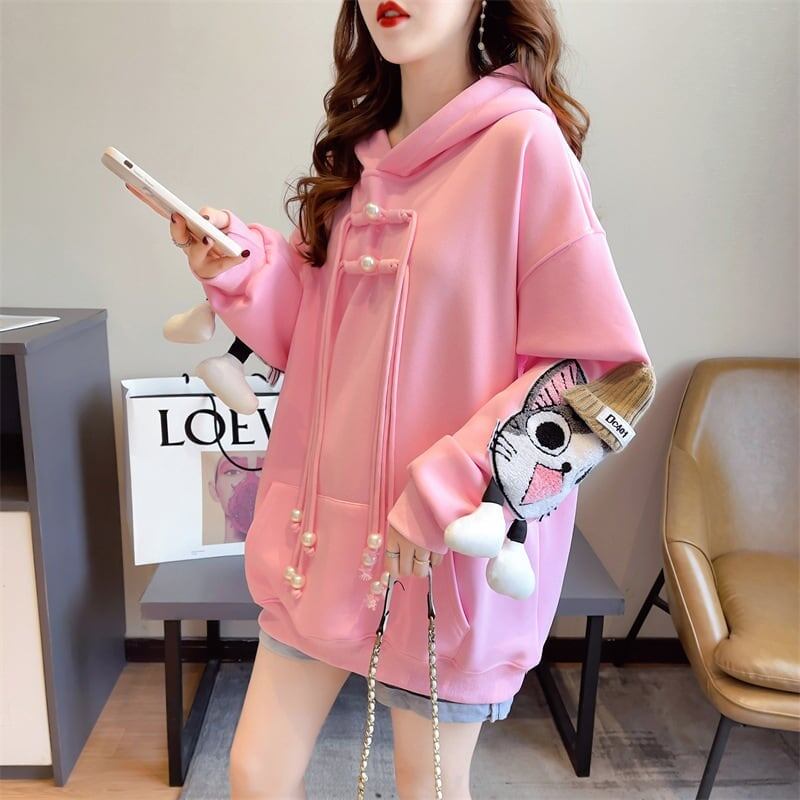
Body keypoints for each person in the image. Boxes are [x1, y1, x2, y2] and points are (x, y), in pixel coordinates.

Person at [137, 2, 656, 797]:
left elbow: (595, 373)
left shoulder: (524, 146)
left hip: (443, 554)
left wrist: (451, 486)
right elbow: (321, 340)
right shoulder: (360, 156)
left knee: (427, 785)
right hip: (324, 541)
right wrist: (239, 266)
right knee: (254, 772)